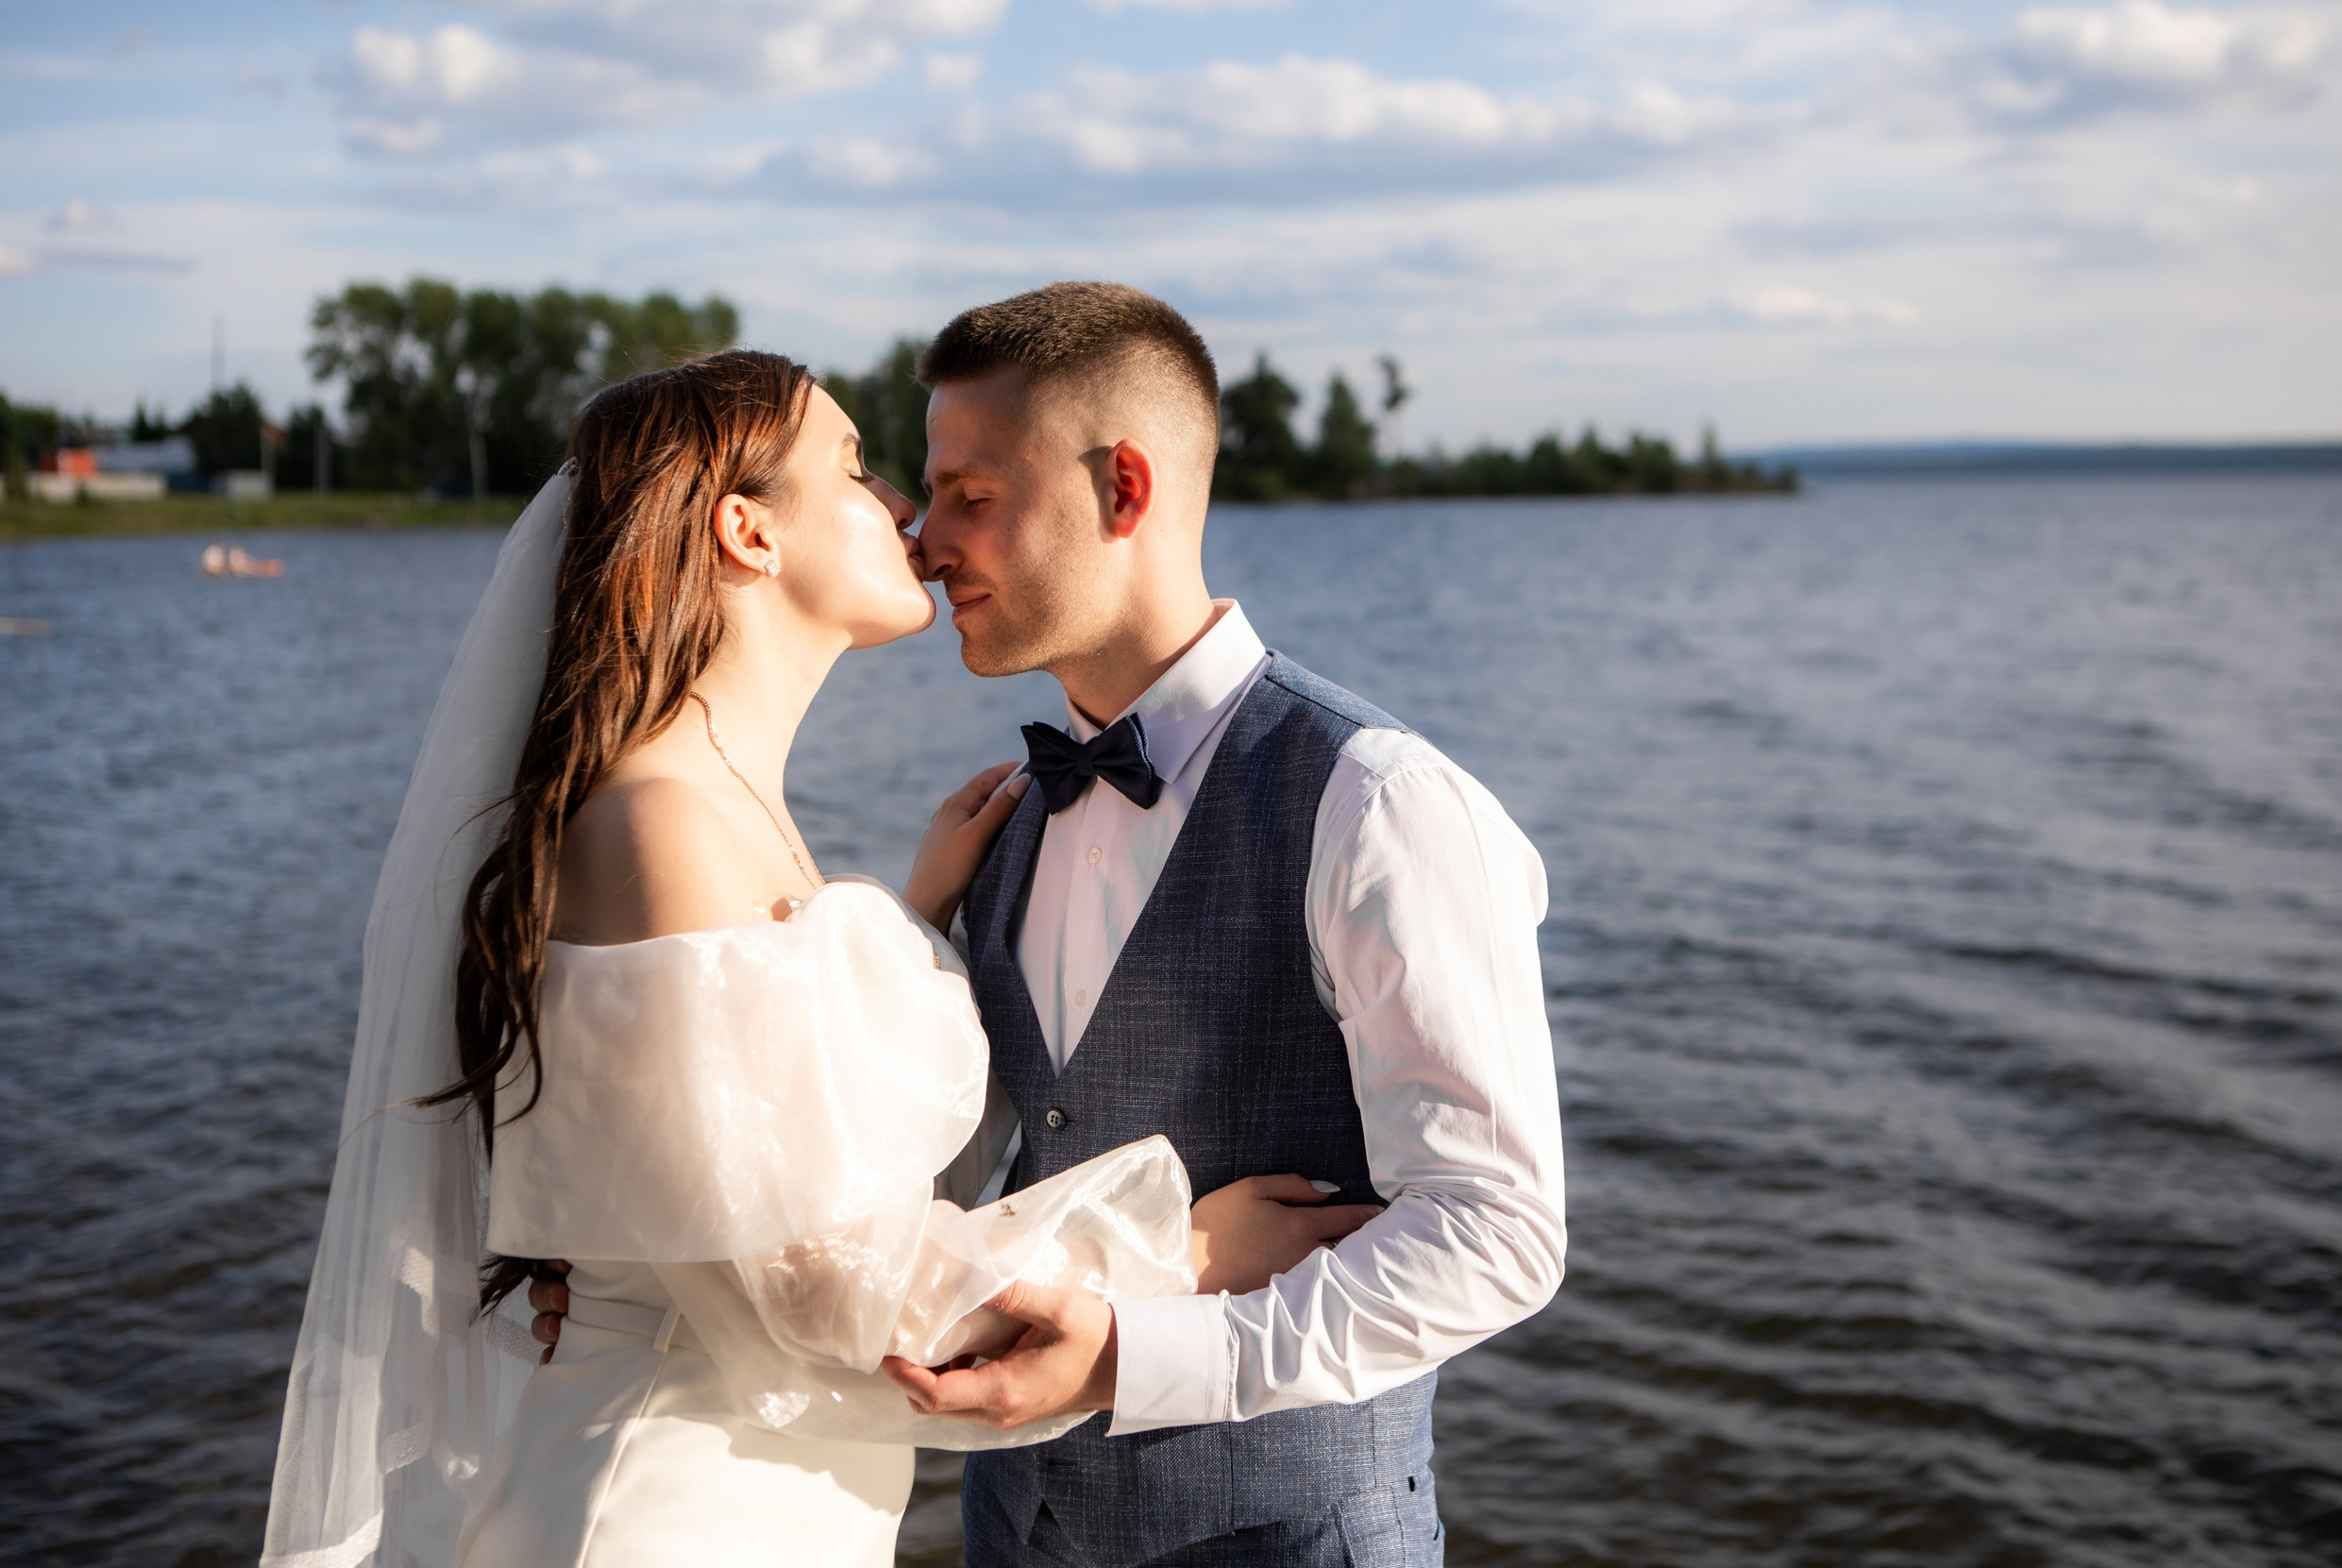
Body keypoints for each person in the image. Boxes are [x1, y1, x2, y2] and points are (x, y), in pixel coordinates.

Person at [262, 349, 1365, 1568]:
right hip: (671, 1509)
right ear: (746, 530)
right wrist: (1189, 1255)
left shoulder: (712, 808)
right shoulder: (664, 822)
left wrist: (906, 925)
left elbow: (777, 1156)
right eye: (851, 467)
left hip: (765, 1494)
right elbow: (835, 1296)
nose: (902, 507)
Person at [880, 283, 1572, 1563]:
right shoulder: (1005, 826)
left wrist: (1141, 1357)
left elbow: (1499, 1233)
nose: (925, 542)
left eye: (972, 494)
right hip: (1016, 1528)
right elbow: (953, 1173)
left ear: (1123, 492)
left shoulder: (1377, 803)